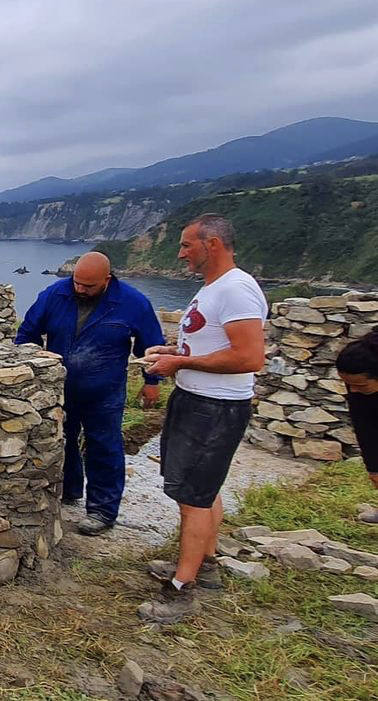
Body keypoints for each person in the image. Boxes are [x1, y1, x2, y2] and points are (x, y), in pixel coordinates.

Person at [138, 214, 267, 623]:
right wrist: (176, 351)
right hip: (199, 400)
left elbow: (250, 357)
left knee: (192, 498)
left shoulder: (237, 289)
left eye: (186, 246)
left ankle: (182, 588)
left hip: (215, 408)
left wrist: (182, 361)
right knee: (205, 489)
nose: (180, 254)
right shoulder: (214, 289)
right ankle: (205, 565)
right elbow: (212, 342)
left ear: (211, 244)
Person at [15, 252, 165, 535]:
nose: (80, 290)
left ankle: (102, 510)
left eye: (89, 286)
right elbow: (26, 335)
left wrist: (152, 381)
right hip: (58, 388)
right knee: (62, 440)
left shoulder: (132, 302)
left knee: (104, 446)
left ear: (106, 280)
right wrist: (35, 359)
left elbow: (151, 345)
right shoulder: (54, 294)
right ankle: (69, 491)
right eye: (77, 283)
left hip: (105, 391)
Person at [336, 331, 378, 523]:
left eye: (361, 385)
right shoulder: (357, 384)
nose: (353, 390)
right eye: (348, 384)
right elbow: (365, 425)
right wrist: (374, 468)